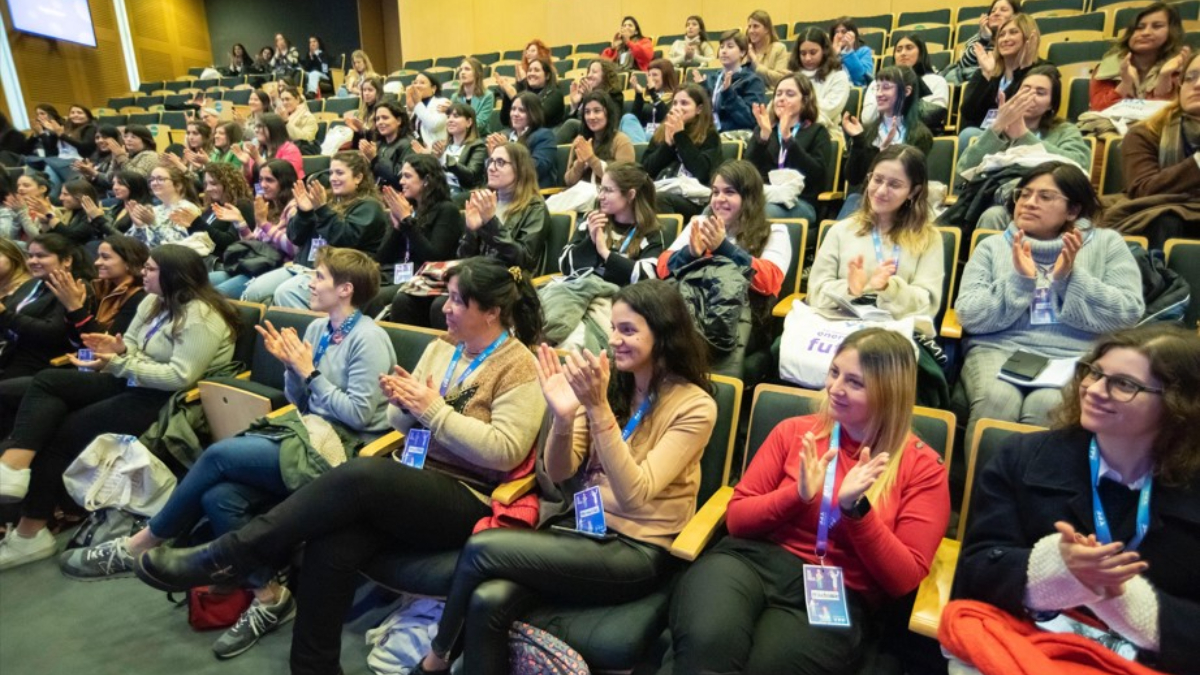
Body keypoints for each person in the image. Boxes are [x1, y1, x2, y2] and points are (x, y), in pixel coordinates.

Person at [132, 257, 547, 675]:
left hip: (467, 496)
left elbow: (505, 451)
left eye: (458, 301)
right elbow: (396, 422)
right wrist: (406, 406)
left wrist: (432, 409)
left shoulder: (518, 365)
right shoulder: (442, 348)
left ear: (492, 312)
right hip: (411, 481)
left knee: (359, 474)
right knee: (329, 542)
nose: (445, 309)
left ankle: (228, 555)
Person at [63, 247, 395, 658]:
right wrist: (293, 370)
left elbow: (360, 415)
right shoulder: (317, 330)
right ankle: (270, 595)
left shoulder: (370, 338)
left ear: (345, 289)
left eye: (320, 277)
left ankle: (142, 542)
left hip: (344, 450)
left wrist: (308, 371)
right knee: (218, 496)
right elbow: (302, 403)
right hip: (306, 432)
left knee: (220, 456)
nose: (310, 282)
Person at [662, 327, 950, 674]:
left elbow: (903, 580)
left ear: (889, 394)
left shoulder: (922, 468)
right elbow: (737, 518)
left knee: (764, 667)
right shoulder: (796, 432)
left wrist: (856, 511)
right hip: (751, 564)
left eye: (854, 382)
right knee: (708, 643)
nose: (834, 388)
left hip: (839, 591)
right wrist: (796, 496)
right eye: (834, 372)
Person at [951, 324, 1200, 675]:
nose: (1094, 390)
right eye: (1094, 373)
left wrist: (1132, 605)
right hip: (1023, 649)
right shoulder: (1022, 459)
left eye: (1124, 384)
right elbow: (974, 575)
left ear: (1178, 405)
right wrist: (1052, 571)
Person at [0, 244, 238, 570]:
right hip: (133, 380)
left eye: (152, 269)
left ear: (173, 276)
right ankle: (14, 469)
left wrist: (120, 362)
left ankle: (30, 529)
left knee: (61, 431)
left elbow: (180, 377)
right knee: (47, 382)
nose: (144, 272)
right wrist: (119, 350)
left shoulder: (201, 316)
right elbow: (134, 344)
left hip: (166, 400)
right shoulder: (154, 301)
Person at [955, 162, 1143, 442]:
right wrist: (1020, 280)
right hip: (998, 348)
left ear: (1073, 210)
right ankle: (983, 487)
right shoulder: (992, 246)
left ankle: (1034, 487)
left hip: (1075, 354)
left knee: (1047, 405)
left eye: (1045, 197)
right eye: (1024, 194)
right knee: (997, 399)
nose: (1029, 203)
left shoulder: (1107, 244)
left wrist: (1070, 279)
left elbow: (1128, 312)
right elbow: (969, 315)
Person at [659, 161, 792, 379]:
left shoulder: (775, 232)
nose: (719, 199)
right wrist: (689, 253)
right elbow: (663, 267)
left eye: (729, 192)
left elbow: (770, 280)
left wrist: (724, 248)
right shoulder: (701, 223)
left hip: (744, 319)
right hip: (693, 308)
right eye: (715, 192)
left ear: (749, 198)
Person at [808, 145, 944, 336]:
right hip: (840, 332)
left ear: (914, 191)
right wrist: (850, 288)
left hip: (895, 337)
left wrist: (889, 288)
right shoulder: (840, 231)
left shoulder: (929, 238)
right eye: (877, 180)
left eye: (894, 185)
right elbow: (815, 294)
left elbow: (928, 304)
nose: (881, 191)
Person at [960, 66, 1093, 232]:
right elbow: (965, 167)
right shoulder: (1001, 129)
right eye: (1026, 90)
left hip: (1049, 205)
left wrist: (1023, 135)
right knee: (992, 215)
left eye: (1040, 92)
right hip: (999, 200)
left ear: (1051, 104)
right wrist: (997, 127)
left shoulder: (1064, 130)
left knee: (1083, 225)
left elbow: (1079, 164)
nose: (1030, 96)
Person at [256, 152, 389, 308]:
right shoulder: (326, 199)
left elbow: (344, 239)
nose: (333, 178)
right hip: (303, 268)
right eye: (331, 172)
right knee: (253, 292)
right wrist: (304, 212)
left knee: (286, 293)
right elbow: (294, 237)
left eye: (339, 173)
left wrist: (322, 209)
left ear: (358, 178)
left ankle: (315, 331)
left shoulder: (369, 206)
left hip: (339, 275)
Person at [1117, 50, 1200, 249]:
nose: (1197, 85)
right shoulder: (1145, 133)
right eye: (1190, 78)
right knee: (1165, 220)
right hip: (1169, 220)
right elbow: (1143, 189)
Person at [378, 156, 464, 323]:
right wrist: (397, 228)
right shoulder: (409, 209)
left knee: (378, 297)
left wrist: (407, 222)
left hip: (428, 281)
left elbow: (435, 257)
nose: (401, 181)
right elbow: (382, 258)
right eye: (401, 176)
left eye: (408, 176)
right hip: (399, 276)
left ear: (426, 180)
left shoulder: (447, 210)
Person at [840, 67, 935, 218]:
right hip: (867, 199)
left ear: (907, 91)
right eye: (877, 88)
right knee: (853, 200)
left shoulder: (920, 135)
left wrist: (885, 152)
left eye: (886, 87)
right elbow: (854, 178)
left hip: (901, 204)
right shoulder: (867, 131)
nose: (879, 94)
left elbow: (908, 181)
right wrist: (858, 141)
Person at [556, 162, 667, 285]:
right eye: (601, 189)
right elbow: (564, 265)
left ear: (630, 195)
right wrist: (590, 243)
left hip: (619, 298)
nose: (600, 196)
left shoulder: (650, 231)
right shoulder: (594, 220)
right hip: (582, 289)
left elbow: (649, 277)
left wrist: (605, 253)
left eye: (608, 190)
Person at [0, 234, 92, 381]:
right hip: (10, 357)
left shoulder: (75, 288)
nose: (33, 261)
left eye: (41, 256)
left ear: (67, 260)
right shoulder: (31, 284)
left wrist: (4, 315)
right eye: (30, 256)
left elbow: (53, 334)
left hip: (41, 366)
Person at [208, 159, 298, 299]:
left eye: (269, 180)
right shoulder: (267, 206)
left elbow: (294, 248)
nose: (263, 185)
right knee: (203, 282)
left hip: (278, 268)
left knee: (218, 293)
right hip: (256, 264)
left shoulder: (294, 208)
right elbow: (256, 245)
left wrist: (264, 223)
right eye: (261, 180)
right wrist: (240, 223)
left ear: (284, 183)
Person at [747, 73, 831, 223]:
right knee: (714, 210)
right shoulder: (765, 130)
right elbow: (747, 171)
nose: (781, 98)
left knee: (762, 213)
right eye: (778, 94)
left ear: (805, 101)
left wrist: (788, 139)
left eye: (790, 94)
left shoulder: (817, 132)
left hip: (801, 201)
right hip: (765, 197)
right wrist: (763, 138)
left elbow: (817, 175)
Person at [455, 143, 548, 273]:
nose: (491, 168)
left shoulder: (534, 207)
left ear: (520, 168)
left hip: (508, 282)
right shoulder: (486, 202)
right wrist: (471, 231)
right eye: (491, 161)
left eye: (500, 162)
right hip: (480, 277)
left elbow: (525, 260)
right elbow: (463, 257)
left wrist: (490, 222)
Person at [959, 14, 1047, 141]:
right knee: (969, 134)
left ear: (1028, 37)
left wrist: (1023, 70)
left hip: (1023, 134)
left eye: (1013, 32)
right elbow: (968, 113)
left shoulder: (1042, 71)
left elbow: (1025, 108)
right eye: (1001, 35)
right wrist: (985, 76)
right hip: (985, 135)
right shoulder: (989, 68)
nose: (1005, 39)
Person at [641, 84, 722, 221]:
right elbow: (645, 170)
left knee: (660, 200)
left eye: (684, 103)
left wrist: (680, 135)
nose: (677, 108)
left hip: (694, 198)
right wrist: (667, 146)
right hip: (661, 188)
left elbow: (701, 172)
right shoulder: (662, 132)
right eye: (675, 103)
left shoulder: (710, 136)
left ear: (699, 109)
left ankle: (662, 241)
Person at [1090, 3, 1188, 111]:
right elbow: (1099, 109)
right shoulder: (1109, 65)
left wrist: (1164, 77)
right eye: (1139, 28)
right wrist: (1125, 84)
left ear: (1172, 31)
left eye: (1157, 26)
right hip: (1111, 126)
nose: (1145, 33)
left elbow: (1167, 114)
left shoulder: (1180, 66)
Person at [862, 33, 951, 130]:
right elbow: (867, 119)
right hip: (882, 134)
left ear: (921, 53)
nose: (903, 53)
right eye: (898, 50)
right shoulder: (877, 83)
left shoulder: (936, 81)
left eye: (909, 48)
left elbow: (935, 115)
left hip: (919, 135)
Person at [692, 30, 767, 133]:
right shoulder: (712, 79)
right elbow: (705, 113)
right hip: (711, 132)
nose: (723, 51)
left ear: (742, 52)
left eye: (730, 46)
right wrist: (702, 89)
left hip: (737, 132)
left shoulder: (753, 81)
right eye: (722, 47)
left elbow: (750, 120)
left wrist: (729, 94)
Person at [565, 91, 635, 188]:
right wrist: (580, 164)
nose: (591, 117)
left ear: (608, 113)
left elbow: (624, 179)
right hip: (580, 196)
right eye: (587, 112)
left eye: (597, 111)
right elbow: (569, 181)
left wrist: (591, 159)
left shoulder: (621, 140)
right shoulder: (580, 141)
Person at [487, 92, 557, 188]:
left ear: (534, 113)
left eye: (522, 110)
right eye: (513, 109)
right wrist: (492, 157)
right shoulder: (505, 135)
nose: (515, 114)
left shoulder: (544, 136)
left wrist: (507, 151)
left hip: (528, 192)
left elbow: (536, 169)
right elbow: (489, 171)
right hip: (501, 191)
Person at [789, 27, 852, 132]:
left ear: (824, 51)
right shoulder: (792, 76)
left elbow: (829, 110)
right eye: (803, 54)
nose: (807, 58)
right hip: (789, 128)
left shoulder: (838, 76)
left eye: (813, 52)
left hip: (825, 132)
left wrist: (795, 109)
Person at [417, 103, 487, 196]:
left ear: (469, 122)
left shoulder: (478, 146)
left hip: (462, 194)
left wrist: (444, 159)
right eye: (448, 116)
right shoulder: (444, 146)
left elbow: (471, 176)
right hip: (441, 192)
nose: (450, 120)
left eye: (456, 116)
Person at [189, 162, 254, 259]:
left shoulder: (242, 206)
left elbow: (230, 242)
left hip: (224, 263)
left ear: (229, 184)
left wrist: (197, 223)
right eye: (206, 184)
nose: (208, 189)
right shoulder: (214, 204)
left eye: (214, 183)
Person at [948, 0, 1022, 84]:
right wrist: (984, 39)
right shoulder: (979, 37)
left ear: (1016, 16)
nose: (996, 13)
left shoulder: (1019, 37)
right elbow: (965, 64)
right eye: (993, 11)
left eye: (1003, 10)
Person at [128, 164, 201, 248]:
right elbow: (137, 245)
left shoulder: (186, 209)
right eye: (152, 179)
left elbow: (177, 248)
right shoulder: (154, 210)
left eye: (160, 179)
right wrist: (139, 226)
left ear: (178, 185)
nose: (154, 183)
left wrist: (153, 223)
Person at [27, 179, 112, 245]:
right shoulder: (72, 212)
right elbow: (55, 238)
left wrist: (50, 215)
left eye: (65, 194)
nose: (60, 198)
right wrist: (45, 223)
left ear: (80, 196)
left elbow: (72, 237)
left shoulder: (92, 215)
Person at [496, 56, 566, 130]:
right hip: (519, 134)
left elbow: (538, 119)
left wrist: (514, 97)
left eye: (536, 70)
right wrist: (507, 95)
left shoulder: (555, 94)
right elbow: (505, 121)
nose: (532, 73)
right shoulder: (524, 92)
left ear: (547, 76)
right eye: (529, 70)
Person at [233, 113, 305, 185]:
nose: (256, 130)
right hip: (259, 192)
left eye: (260, 127)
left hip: (284, 193)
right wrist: (245, 165)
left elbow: (283, 178)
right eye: (256, 127)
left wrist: (258, 158)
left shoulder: (290, 150)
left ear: (273, 128)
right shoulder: (258, 149)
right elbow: (248, 180)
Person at [620, 58, 680, 143]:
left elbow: (667, 118)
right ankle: (640, 149)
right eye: (649, 75)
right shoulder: (646, 97)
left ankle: (639, 151)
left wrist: (653, 94)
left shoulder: (677, 97)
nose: (651, 79)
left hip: (663, 135)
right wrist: (639, 95)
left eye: (655, 75)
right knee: (628, 118)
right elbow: (635, 120)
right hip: (643, 134)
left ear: (666, 76)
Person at [359, 101, 414, 191]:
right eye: (377, 119)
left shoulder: (408, 144)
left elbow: (400, 180)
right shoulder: (379, 143)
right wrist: (367, 161)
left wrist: (375, 159)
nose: (380, 122)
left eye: (385, 118)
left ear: (398, 120)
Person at [451, 58, 496, 133]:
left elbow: (480, 124)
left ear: (477, 73)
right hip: (458, 136)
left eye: (467, 69)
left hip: (479, 137)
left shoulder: (487, 96)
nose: (462, 72)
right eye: (461, 70)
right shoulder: (455, 97)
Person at [746, 10, 789, 88]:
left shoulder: (779, 49)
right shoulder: (746, 49)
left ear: (767, 29)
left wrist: (755, 60)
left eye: (756, 26)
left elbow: (780, 79)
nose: (751, 31)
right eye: (749, 27)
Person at [407, 72, 450, 146]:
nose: (417, 86)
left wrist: (417, 103)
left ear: (433, 88)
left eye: (422, 83)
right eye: (415, 83)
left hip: (435, 152)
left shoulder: (443, 102)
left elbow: (433, 125)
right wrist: (409, 109)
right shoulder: (416, 105)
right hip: (416, 151)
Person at [831, 18, 875, 87]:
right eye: (836, 32)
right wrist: (834, 55)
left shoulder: (864, 51)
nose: (839, 36)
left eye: (844, 32)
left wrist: (848, 51)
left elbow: (861, 79)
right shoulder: (828, 54)